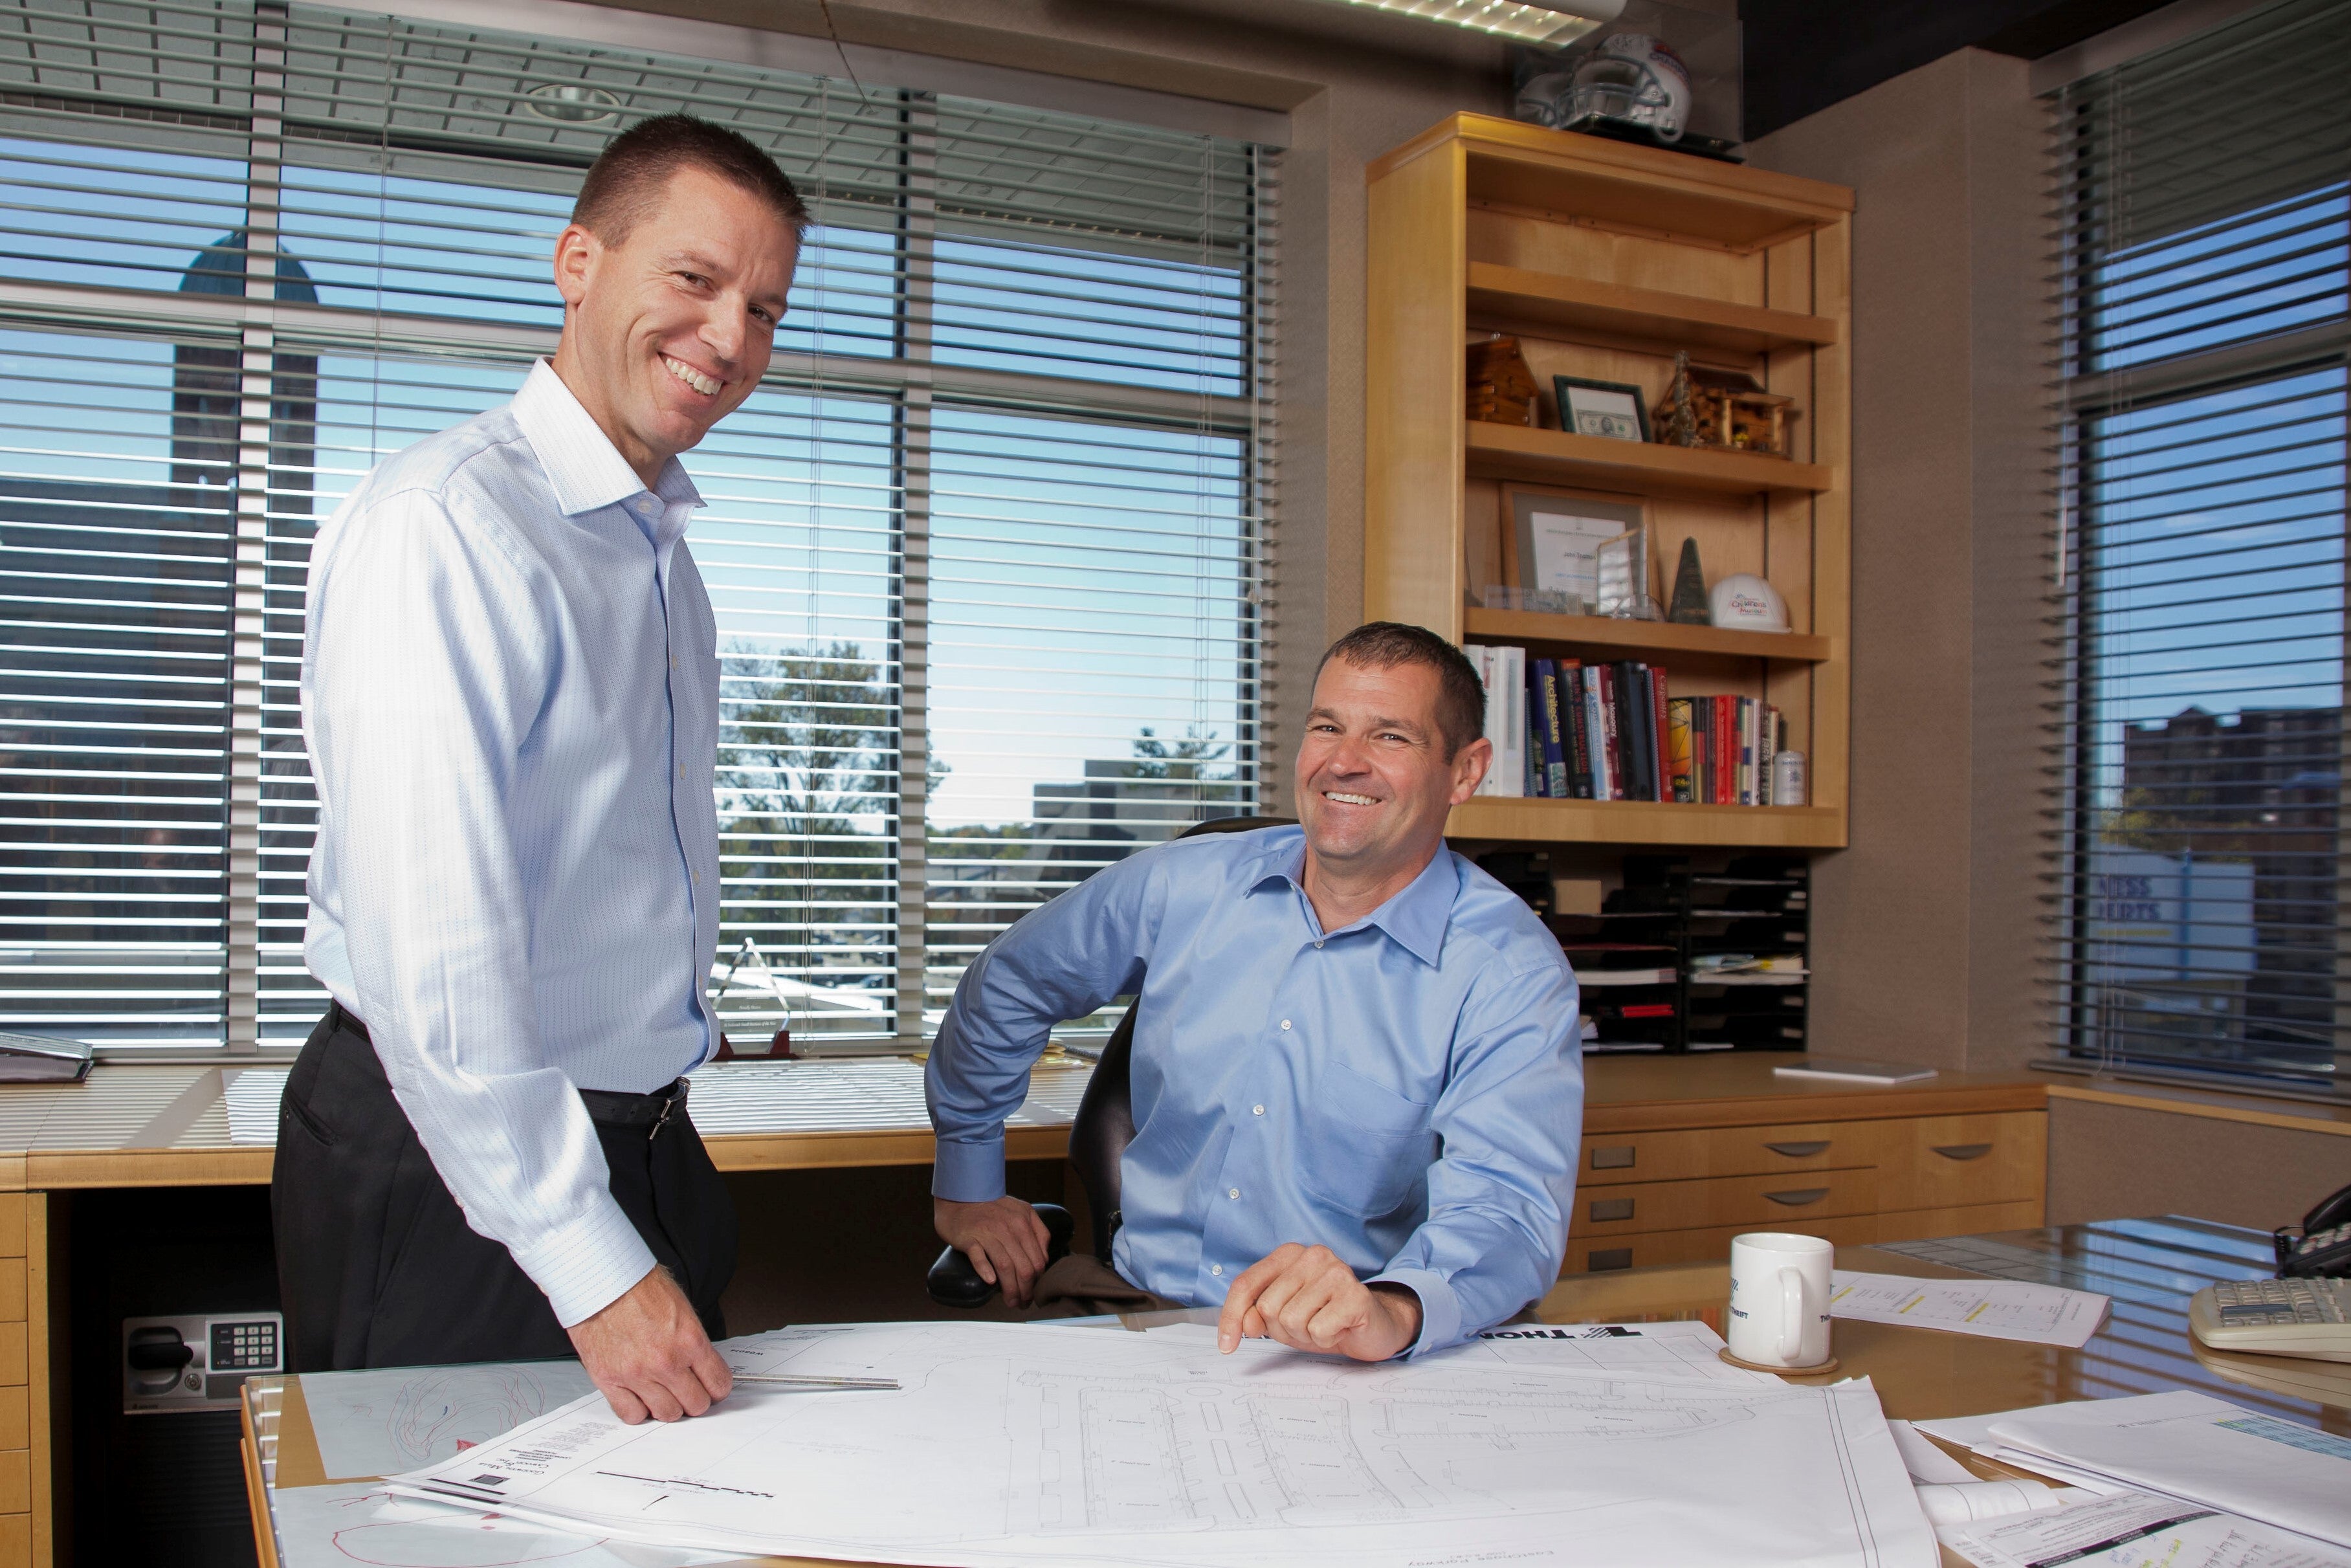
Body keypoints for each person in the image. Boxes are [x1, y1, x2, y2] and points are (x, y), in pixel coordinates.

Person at [275, 114, 805, 1424]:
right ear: (579, 263)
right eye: (692, 279)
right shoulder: (446, 524)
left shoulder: (657, 555)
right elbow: (432, 953)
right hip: (464, 1162)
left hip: (633, 1136)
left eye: (763, 306)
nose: (729, 338)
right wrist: (582, 1251)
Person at [926, 623, 1583, 1362]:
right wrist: (968, 1181)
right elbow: (1011, 980)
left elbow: (1509, 1207)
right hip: (1136, 1316)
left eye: (1390, 737)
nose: (1344, 761)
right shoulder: (1184, 882)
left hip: (1330, 1351)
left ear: (1465, 771)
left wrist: (1395, 1308)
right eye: (1327, 726)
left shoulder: (1509, 972)